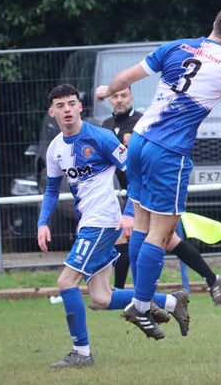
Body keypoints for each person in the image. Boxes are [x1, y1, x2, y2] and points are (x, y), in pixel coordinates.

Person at [95, 4, 221, 340]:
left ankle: (142, 302)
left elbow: (125, 78)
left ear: (214, 23)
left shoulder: (176, 46)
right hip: (168, 152)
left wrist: (105, 91)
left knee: (142, 225)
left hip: (139, 141)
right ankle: (141, 305)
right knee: (163, 233)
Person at [37, 84, 190, 368]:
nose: (67, 109)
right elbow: (51, 191)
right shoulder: (56, 148)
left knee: (65, 282)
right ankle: (171, 301)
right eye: (61, 106)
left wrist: (130, 212)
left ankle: (81, 353)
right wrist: (42, 223)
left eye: (72, 103)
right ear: (52, 112)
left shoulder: (101, 137)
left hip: (102, 223)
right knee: (101, 297)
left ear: (80, 107)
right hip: (89, 224)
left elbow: (135, 172)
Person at [101, 85, 221, 305]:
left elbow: (143, 166)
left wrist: (131, 209)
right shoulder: (106, 126)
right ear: (110, 100)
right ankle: (212, 279)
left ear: (131, 96)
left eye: (123, 95)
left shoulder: (142, 123)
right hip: (129, 191)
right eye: (115, 96)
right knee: (167, 240)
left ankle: (127, 296)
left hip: (147, 189)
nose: (119, 100)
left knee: (135, 236)